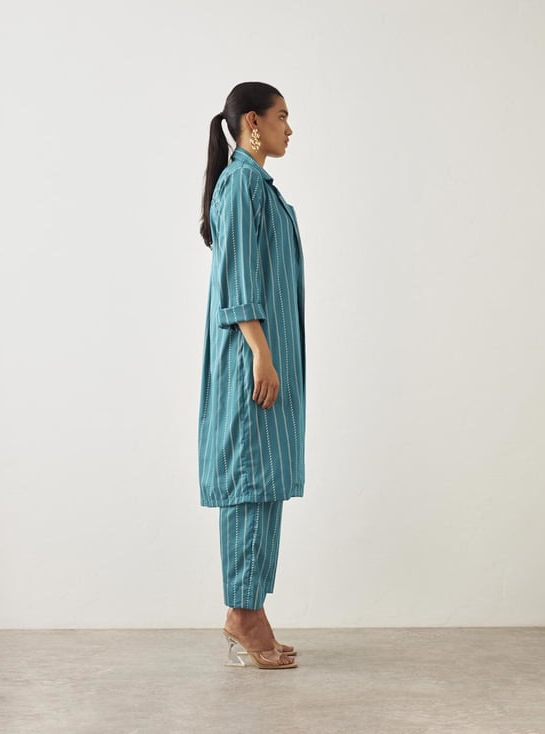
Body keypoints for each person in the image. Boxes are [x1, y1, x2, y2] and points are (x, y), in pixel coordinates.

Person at [198, 82, 306, 670]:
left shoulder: (258, 186)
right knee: (248, 483)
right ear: (253, 123)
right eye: (282, 116)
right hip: (251, 358)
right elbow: (237, 277)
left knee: (265, 483)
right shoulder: (240, 185)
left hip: (267, 356)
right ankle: (241, 614)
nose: (290, 128)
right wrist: (261, 352)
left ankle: (253, 610)